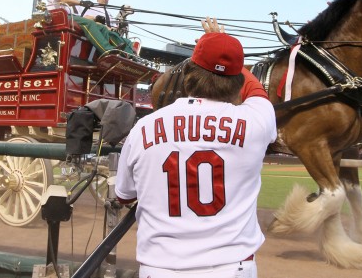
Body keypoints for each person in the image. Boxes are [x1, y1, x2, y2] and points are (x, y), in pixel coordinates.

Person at [115, 18, 277, 278]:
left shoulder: (143, 128)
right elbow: (257, 92)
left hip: (159, 270)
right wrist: (229, 55)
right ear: (236, 84)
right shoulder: (256, 121)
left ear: (187, 75)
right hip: (232, 268)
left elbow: (124, 195)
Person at [47, 0, 134, 55]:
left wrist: (95, 19)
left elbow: (82, 16)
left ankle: (127, 54)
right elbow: (61, 0)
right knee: (90, 24)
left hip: (71, 17)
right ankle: (108, 51)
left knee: (102, 28)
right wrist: (81, 2)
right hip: (61, 18)